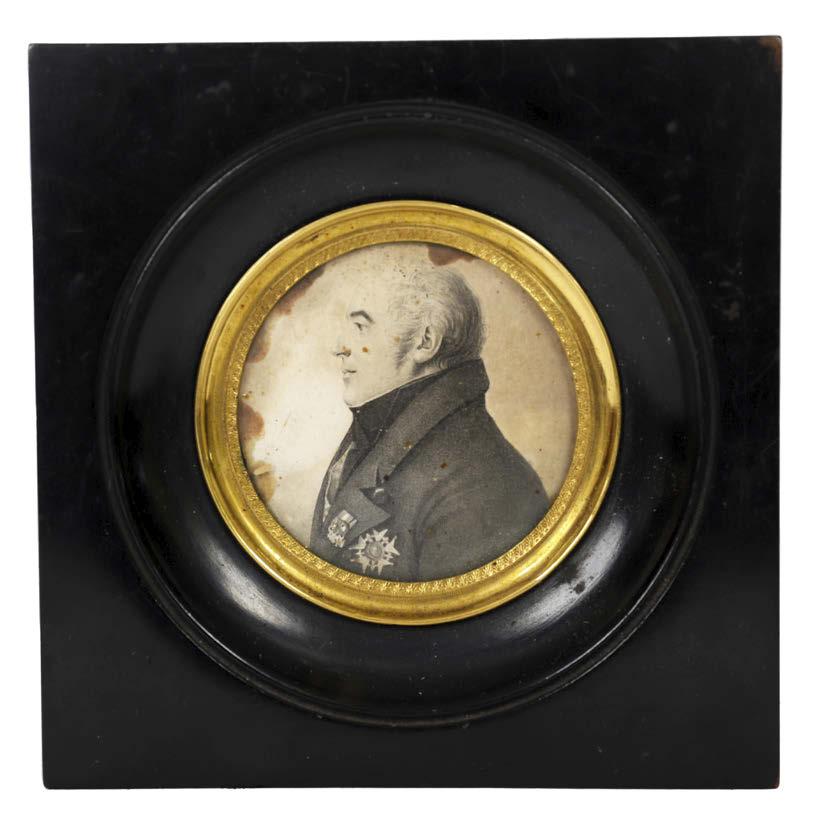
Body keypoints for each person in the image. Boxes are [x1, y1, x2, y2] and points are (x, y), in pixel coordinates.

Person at [309, 261, 548, 581]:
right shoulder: (375, 428)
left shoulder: (478, 487)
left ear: (424, 342)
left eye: (361, 327)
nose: (339, 348)